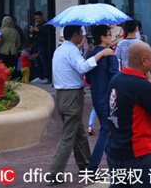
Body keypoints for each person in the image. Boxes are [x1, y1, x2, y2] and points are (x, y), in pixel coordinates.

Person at [47, 25, 115, 183]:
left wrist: (86, 53)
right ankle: (54, 173)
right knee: (68, 136)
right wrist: (102, 53)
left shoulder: (62, 49)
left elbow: (77, 68)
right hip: (71, 96)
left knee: (79, 134)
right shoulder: (71, 50)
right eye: (81, 34)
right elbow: (83, 67)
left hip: (62, 96)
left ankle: (86, 167)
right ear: (75, 35)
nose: (83, 37)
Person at [106, 42, 151, 187]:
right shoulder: (141, 84)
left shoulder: (116, 80)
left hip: (116, 152)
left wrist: (150, 94)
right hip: (139, 155)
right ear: (144, 60)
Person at [85, 25, 119, 174]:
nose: (111, 37)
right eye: (109, 34)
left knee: (107, 129)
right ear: (102, 38)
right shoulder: (109, 55)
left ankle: (114, 165)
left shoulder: (92, 55)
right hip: (109, 98)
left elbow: (90, 79)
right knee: (106, 130)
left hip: (96, 96)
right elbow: (115, 78)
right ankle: (93, 167)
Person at [28, 11, 52, 82]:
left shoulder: (45, 25)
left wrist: (38, 30)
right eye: (36, 18)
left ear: (42, 17)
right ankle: (39, 76)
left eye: (38, 18)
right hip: (36, 45)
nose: (37, 20)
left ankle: (46, 76)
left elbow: (47, 34)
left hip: (43, 46)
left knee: (44, 61)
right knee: (38, 62)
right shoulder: (37, 26)